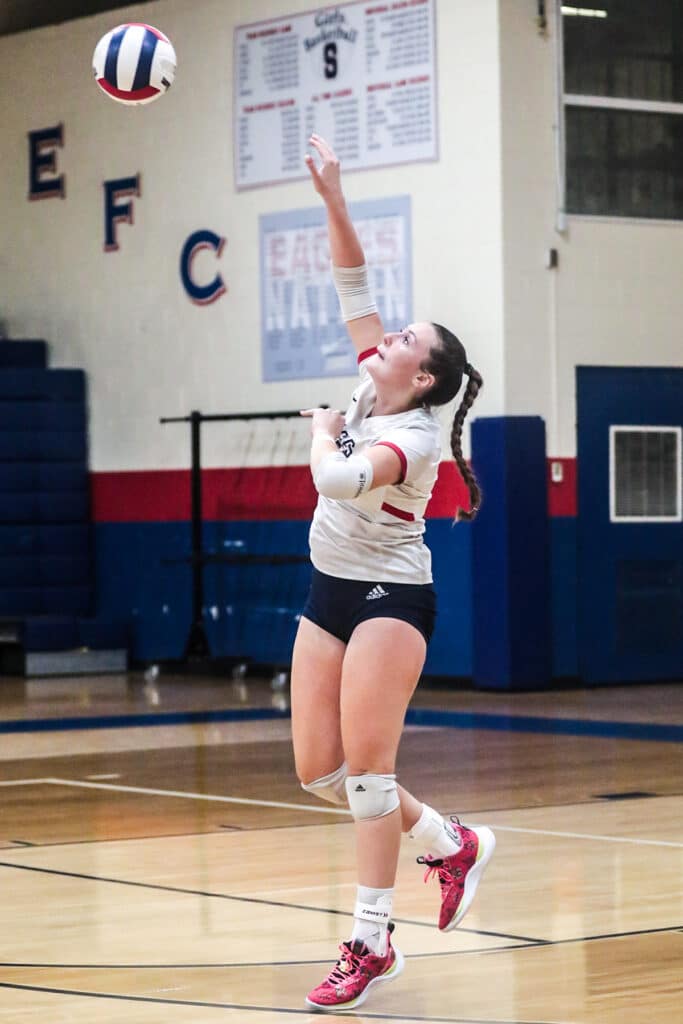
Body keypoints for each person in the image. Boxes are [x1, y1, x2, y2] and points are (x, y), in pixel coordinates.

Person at [291, 134, 495, 1014]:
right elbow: (352, 284)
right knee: (318, 771)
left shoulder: (405, 434)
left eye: (403, 338)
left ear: (424, 375)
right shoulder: (382, 386)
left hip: (390, 601)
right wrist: (334, 197)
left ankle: (370, 941)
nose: (386, 334)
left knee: (369, 778)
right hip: (330, 586)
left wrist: (319, 427)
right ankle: (451, 842)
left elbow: (337, 476)